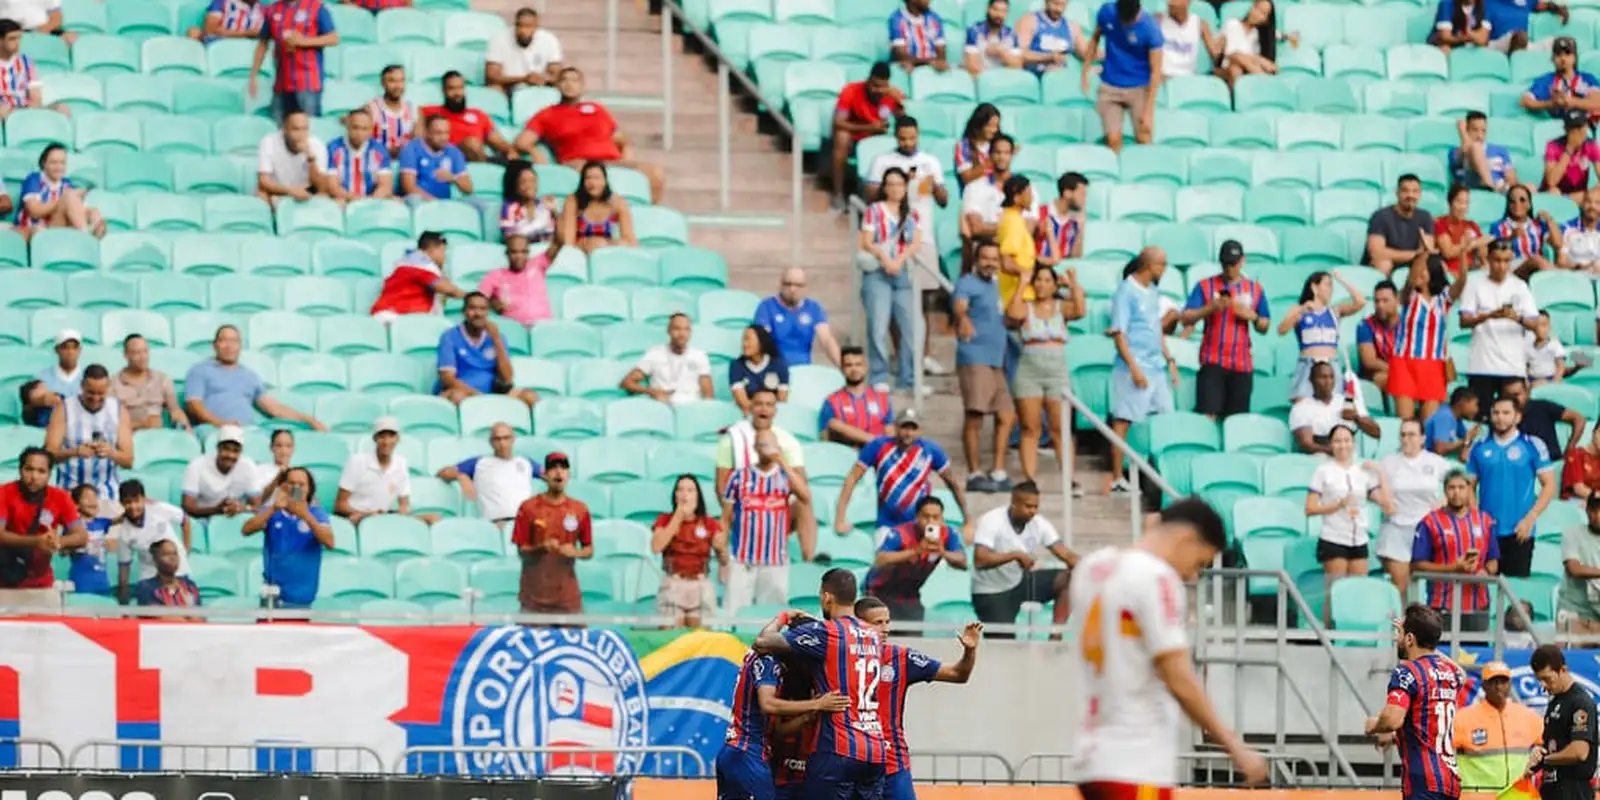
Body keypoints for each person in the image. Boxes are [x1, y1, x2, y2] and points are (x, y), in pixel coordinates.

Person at [1067, 497, 1269, 791]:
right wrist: (1234, 747)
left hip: (1092, 756)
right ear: (1187, 538)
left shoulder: (1092, 569)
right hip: (1137, 759)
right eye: (1199, 562)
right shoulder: (1156, 578)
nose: (1192, 575)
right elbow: (1178, 677)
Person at [751, 569, 891, 800]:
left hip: (838, 748)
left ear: (827, 597)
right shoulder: (873, 635)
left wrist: (784, 618)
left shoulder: (828, 632)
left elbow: (762, 642)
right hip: (874, 749)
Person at [855, 596, 980, 800]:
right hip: (855, 762)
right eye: (877, 623)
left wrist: (970, 651)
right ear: (858, 625)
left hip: (893, 763)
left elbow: (959, 674)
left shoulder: (901, 657)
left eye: (887, 622)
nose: (885, 629)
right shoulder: (840, 657)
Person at [716, 642, 850, 800]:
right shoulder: (769, 664)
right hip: (749, 754)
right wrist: (817, 704)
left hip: (742, 752)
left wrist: (810, 713)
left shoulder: (773, 669)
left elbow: (777, 729)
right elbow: (768, 704)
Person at [512, 67, 664, 202]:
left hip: (610, 161)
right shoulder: (547, 114)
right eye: (564, 80)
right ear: (557, 85)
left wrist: (626, 151)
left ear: (582, 87)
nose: (569, 84)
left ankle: (649, 215)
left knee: (654, 172)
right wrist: (536, 153)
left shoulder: (597, 109)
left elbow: (620, 138)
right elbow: (522, 142)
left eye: (575, 80)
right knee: (592, 175)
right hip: (578, 162)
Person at [1363, 604, 1467, 800]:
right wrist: (1429, 641)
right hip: (1450, 781)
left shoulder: (1407, 672)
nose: (1397, 638)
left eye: (1400, 633)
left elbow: (1393, 720)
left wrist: (1374, 726)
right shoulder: (1451, 673)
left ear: (1410, 639)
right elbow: (1462, 674)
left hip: (1423, 783)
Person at [1307, 425, 1394, 622]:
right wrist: (1338, 504)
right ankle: (1330, 634)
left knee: (1358, 592)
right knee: (1335, 592)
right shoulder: (1323, 471)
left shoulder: (1362, 471)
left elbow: (1386, 504)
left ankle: (1354, 635)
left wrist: (1380, 472)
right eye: (1337, 441)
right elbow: (1310, 508)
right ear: (1331, 444)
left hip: (1359, 538)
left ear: (1353, 443)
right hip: (1334, 536)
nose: (1342, 445)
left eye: (1347, 440)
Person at [1108, 248, 1178, 493]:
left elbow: (1156, 329)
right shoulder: (1126, 292)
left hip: (1156, 366)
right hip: (1132, 368)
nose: (1165, 270)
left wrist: (1169, 358)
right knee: (1124, 419)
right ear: (1150, 265)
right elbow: (1119, 333)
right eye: (1163, 265)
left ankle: (1160, 473)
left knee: (1165, 417)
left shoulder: (1153, 291)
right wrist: (1135, 369)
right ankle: (1117, 476)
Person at [835, 409, 969, 536]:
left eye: (913, 428)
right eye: (904, 427)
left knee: (936, 555)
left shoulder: (931, 451)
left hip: (922, 524)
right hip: (887, 524)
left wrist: (968, 520)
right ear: (895, 427)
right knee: (885, 558)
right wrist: (840, 519)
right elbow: (852, 478)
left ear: (919, 430)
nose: (908, 433)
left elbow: (952, 482)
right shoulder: (878, 446)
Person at [1006, 265, 1083, 485]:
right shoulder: (1027, 308)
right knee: (1030, 428)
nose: (1042, 285)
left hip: (1056, 372)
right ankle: (1029, 478)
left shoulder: (1061, 307)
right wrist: (1022, 282)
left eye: (1047, 280)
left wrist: (1073, 283)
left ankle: (1070, 478)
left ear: (1054, 284)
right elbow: (1012, 312)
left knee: (1060, 428)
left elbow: (1080, 310)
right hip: (1029, 371)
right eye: (1038, 280)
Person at [1178, 239, 1270, 420]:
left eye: (1233, 264)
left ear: (1242, 261)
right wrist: (1210, 308)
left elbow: (1265, 326)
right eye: (1226, 264)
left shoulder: (1255, 289)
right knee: (1207, 414)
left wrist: (1253, 317)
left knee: (1237, 420)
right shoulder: (1205, 286)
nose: (1229, 268)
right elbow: (1185, 318)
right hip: (1213, 360)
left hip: (1242, 363)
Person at [1467, 396, 1558, 578]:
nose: (1500, 418)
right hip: (1488, 531)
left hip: (1520, 530)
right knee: (1483, 588)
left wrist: (1530, 518)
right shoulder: (1479, 447)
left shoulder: (1532, 445)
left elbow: (1549, 485)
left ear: (1517, 417)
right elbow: (1469, 486)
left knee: (1516, 590)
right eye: (1496, 413)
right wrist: (1477, 518)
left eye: (1506, 413)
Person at [722, 429, 811, 614]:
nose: (767, 449)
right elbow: (725, 518)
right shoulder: (739, 477)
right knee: (733, 614)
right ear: (755, 447)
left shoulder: (786, 476)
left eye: (771, 444)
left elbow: (805, 496)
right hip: (742, 559)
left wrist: (782, 461)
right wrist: (724, 559)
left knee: (772, 616)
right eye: (763, 444)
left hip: (775, 560)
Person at [969, 480, 1077, 633]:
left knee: (1071, 578)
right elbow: (980, 559)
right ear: (1014, 503)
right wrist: (1015, 555)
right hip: (991, 591)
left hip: (1019, 582)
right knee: (1005, 647)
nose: (1032, 511)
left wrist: (1086, 566)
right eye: (1028, 506)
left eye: (1035, 507)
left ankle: (1056, 634)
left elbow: (1065, 554)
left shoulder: (1039, 523)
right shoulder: (992, 521)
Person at [954, 234, 1015, 493]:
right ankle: (973, 473)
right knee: (975, 415)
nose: (990, 263)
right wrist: (963, 318)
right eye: (985, 258)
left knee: (1007, 414)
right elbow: (960, 306)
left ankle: (998, 470)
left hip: (995, 360)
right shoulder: (967, 282)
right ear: (977, 260)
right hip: (974, 356)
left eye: (994, 259)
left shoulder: (996, 284)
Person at [185, 324, 325, 430]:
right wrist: (221, 424)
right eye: (224, 340)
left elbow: (274, 408)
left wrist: (308, 419)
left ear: (240, 346)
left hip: (248, 433)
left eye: (234, 341)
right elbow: (193, 405)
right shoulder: (200, 370)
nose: (229, 346)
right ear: (215, 345)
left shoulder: (249, 376)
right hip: (213, 430)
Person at [1412, 469, 1500, 631]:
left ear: (1469, 490)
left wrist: (1486, 572)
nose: (1456, 493)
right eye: (1452, 488)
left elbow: (1494, 560)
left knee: (1477, 653)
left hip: (1478, 605)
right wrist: (1453, 568)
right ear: (1445, 490)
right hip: (1441, 605)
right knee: (1442, 654)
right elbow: (1417, 565)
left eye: (1461, 487)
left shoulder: (1484, 521)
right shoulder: (1430, 522)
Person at [859, 167, 922, 392]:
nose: (896, 189)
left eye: (900, 184)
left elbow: (915, 242)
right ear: (885, 187)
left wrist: (900, 259)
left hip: (902, 271)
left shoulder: (912, 214)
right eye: (891, 184)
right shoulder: (874, 210)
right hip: (878, 272)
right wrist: (885, 257)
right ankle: (879, 376)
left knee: (911, 327)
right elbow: (866, 241)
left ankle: (909, 377)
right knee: (878, 325)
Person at [1460, 239, 1539, 417]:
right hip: (1482, 365)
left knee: (1512, 418)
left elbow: (1534, 322)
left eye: (1506, 261)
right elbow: (1464, 321)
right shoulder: (1474, 283)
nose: (1502, 266)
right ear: (1488, 259)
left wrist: (1516, 317)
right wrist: (1489, 316)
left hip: (1512, 365)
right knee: (1482, 417)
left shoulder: (1519, 286)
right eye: (1497, 260)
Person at [510, 452, 594, 616]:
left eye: (563, 468)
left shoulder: (580, 510)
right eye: (553, 468)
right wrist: (541, 547)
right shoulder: (528, 508)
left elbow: (589, 549)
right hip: (533, 599)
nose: (558, 472)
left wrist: (575, 552)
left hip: (568, 599)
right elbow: (521, 551)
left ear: (568, 474)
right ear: (545, 475)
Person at [1378, 420, 1454, 599]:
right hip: (1396, 529)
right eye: (1403, 435)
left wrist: (1444, 501)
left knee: (1432, 589)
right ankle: (1401, 627)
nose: (1406, 439)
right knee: (1401, 588)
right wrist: (1384, 501)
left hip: (1427, 530)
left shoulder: (1436, 462)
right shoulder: (1389, 463)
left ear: (1422, 438)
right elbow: (1371, 487)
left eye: (1411, 434)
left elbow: (1459, 484)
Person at [1392, 254, 1472, 422]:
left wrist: (1463, 251)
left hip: (1433, 365)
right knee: (1405, 422)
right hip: (1405, 363)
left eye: (1424, 271)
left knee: (1428, 423)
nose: (1419, 274)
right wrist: (1424, 253)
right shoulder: (1409, 296)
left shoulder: (1443, 300)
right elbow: (1411, 278)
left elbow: (1462, 280)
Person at [0, 448, 85, 607]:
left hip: (41, 585)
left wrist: (57, 541)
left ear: (49, 474)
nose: (34, 477)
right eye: (29, 469)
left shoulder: (60, 497)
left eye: (41, 471)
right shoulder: (3, 493)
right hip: (4, 584)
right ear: (20, 469)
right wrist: (36, 541)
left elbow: (81, 536)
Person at [863, 495, 967, 623]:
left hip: (910, 596)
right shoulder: (900, 533)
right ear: (917, 517)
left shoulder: (948, 535)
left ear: (942, 518)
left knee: (913, 639)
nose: (931, 522)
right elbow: (881, 559)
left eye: (936, 517)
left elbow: (962, 561)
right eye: (926, 516)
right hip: (880, 594)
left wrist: (943, 552)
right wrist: (916, 551)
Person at [242, 466, 334, 609]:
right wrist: (273, 508)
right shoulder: (272, 512)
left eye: (301, 485)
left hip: (302, 598)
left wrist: (305, 515)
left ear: (309, 489)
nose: (295, 488)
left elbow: (330, 542)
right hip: (272, 598)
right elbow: (246, 530)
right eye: (291, 483)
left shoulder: (317, 514)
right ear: (283, 486)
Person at [1080, 0, 1165, 153]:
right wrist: (1085, 71)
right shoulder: (1107, 12)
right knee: (1113, 140)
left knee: (1143, 137)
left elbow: (1156, 70)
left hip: (1139, 87)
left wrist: (1149, 111)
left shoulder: (1150, 29)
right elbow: (1095, 38)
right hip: (1110, 85)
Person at [43, 364, 132, 504]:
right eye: (91, 393)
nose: (96, 398)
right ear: (82, 386)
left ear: (108, 387)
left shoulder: (119, 411)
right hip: (70, 493)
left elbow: (129, 460)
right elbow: (48, 455)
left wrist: (111, 453)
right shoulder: (64, 409)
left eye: (101, 393)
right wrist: (75, 452)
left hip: (107, 495)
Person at [433, 292, 539, 408]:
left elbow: (507, 378)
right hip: (463, 392)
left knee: (530, 396)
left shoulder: (497, 336)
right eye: (472, 308)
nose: (478, 313)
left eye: (483, 309)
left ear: (487, 312)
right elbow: (448, 379)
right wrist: (476, 395)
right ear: (464, 311)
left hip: (493, 392)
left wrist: (496, 339)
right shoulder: (450, 336)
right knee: (458, 397)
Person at [1454, 661, 1546, 793]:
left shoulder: (1527, 716)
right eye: (1493, 682)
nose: (1498, 687)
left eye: (1503, 682)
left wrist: (1537, 757)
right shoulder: (1463, 719)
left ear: (1509, 684)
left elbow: (1549, 743)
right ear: (1484, 685)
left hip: (1516, 795)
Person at [1277, 270, 1367, 400]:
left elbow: (1360, 301)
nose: (1331, 290)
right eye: (1328, 285)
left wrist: (1341, 280)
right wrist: (1301, 311)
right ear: (1314, 287)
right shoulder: (1299, 309)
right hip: (1308, 364)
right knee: (1304, 404)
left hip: (1331, 365)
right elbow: (1281, 330)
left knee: (1334, 404)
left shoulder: (1335, 311)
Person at [653, 474, 728, 628]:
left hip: (700, 584)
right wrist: (679, 515)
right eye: (680, 490)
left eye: (690, 490)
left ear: (698, 496)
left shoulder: (710, 523)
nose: (684, 494)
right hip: (674, 583)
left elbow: (724, 560)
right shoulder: (664, 520)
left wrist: (721, 549)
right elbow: (656, 546)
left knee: (699, 639)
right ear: (674, 495)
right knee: (671, 638)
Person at [335, 417, 439, 526]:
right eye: (382, 436)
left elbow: (404, 504)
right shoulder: (357, 462)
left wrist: (403, 511)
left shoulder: (401, 463)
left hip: (384, 516)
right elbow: (340, 505)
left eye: (391, 436)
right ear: (375, 438)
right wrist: (366, 514)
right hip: (358, 516)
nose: (386, 441)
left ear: (397, 439)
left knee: (433, 518)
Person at [435, 423, 540, 530]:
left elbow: (551, 476)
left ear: (513, 439)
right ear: (491, 442)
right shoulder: (479, 463)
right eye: (497, 439)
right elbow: (443, 472)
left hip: (525, 523)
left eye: (506, 438)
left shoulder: (525, 463)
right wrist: (461, 476)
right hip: (495, 524)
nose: (502, 443)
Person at [1527, 644, 1599, 797]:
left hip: (1573, 789)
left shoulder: (1580, 703)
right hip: (1552, 786)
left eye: (1547, 679)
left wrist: (1546, 760)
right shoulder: (1556, 701)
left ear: (1563, 670)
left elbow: (1579, 751)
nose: (1543, 685)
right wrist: (1539, 752)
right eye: (1540, 680)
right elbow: (1555, 743)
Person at [829, 61, 904, 209]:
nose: (878, 90)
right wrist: (869, 127)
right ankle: (837, 193)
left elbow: (905, 124)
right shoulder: (851, 90)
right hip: (855, 136)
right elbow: (838, 122)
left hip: (878, 139)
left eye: (882, 86)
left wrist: (899, 103)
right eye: (875, 85)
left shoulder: (893, 95)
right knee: (841, 137)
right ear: (868, 80)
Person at [247, 0, 338, 121]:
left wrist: (304, 42)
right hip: (282, 82)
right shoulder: (272, 10)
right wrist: (254, 75)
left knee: (309, 126)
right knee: (279, 126)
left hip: (309, 81)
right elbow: (263, 42)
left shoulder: (316, 7)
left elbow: (333, 38)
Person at [110, 479, 192, 591]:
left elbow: (185, 520)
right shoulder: (125, 533)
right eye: (128, 502)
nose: (133, 507)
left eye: (136, 501)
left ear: (144, 499)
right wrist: (123, 597)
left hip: (178, 571)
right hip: (150, 577)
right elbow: (124, 566)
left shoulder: (159, 508)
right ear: (121, 503)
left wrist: (186, 548)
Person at [419, 71, 517, 163]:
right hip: (446, 159)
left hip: (477, 157)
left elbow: (498, 142)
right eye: (451, 88)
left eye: (460, 88)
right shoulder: (428, 112)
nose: (457, 93)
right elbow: (418, 140)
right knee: (472, 143)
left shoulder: (479, 115)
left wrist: (509, 150)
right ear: (443, 90)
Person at [755, 268, 842, 369]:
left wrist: (841, 365)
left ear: (806, 287)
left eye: (798, 285)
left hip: (803, 371)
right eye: (788, 284)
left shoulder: (813, 308)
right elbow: (760, 340)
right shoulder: (767, 306)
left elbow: (827, 340)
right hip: (775, 370)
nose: (792, 289)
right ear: (780, 285)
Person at [1291, 361, 1383, 454]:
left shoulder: (1347, 402)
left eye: (1331, 377)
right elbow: (1307, 445)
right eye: (1323, 377)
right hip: (1319, 458)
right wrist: (1338, 451)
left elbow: (1376, 433)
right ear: (1311, 380)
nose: (1328, 382)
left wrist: (1356, 418)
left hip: (1350, 457)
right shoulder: (1301, 408)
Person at [370, 233, 467, 321]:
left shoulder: (408, 262)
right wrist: (470, 297)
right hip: (394, 317)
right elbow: (448, 289)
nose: (444, 256)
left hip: (391, 315)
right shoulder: (421, 265)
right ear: (434, 249)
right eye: (443, 251)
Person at [16, 142, 103, 239]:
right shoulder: (34, 179)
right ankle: (85, 237)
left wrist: (92, 214)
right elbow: (34, 211)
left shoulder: (67, 183)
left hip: (56, 226)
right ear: (44, 163)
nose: (59, 167)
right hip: (32, 229)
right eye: (54, 162)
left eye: (62, 163)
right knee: (69, 196)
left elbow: (76, 209)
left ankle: (86, 235)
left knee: (93, 213)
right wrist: (62, 201)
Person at [622, 313, 714, 404]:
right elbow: (627, 383)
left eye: (686, 329)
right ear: (669, 331)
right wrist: (652, 391)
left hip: (691, 408)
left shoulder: (699, 356)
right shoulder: (655, 354)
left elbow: (708, 394)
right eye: (677, 329)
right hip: (664, 407)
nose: (682, 334)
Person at [180, 424, 261, 523]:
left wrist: (240, 508)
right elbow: (188, 507)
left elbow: (257, 506)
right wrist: (216, 510)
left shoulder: (248, 466)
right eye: (226, 449)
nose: (230, 455)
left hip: (235, 520)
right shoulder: (197, 465)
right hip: (202, 520)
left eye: (236, 451)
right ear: (218, 448)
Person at [819, 347, 893, 448]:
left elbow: (890, 431)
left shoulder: (882, 399)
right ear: (842, 369)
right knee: (834, 424)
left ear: (866, 367)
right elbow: (824, 437)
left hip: (877, 456)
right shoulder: (832, 401)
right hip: (846, 456)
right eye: (849, 365)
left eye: (858, 364)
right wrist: (874, 441)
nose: (854, 369)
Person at [113, 334, 189, 432]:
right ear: (126, 355)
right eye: (137, 352)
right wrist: (144, 424)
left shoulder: (162, 379)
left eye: (145, 351)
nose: (143, 357)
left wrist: (185, 428)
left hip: (159, 437)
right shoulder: (114, 384)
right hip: (130, 437)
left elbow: (175, 411)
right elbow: (111, 425)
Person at [1365, 174, 1438, 276]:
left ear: (1420, 194)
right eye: (1405, 191)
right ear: (1397, 193)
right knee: (1384, 264)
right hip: (1387, 264)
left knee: (1436, 265)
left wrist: (1420, 254)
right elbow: (1377, 253)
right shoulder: (1380, 216)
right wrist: (1414, 254)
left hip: (1412, 264)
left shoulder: (1425, 217)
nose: (1410, 195)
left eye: (1415, 191)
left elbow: (1427, 251)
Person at [1503, 377, 1587, 466]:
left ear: (1527, 392)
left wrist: (1570, 447)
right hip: (1519, 466)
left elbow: (1579, 419)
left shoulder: (1542, 407)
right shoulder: (1501, 416)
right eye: (1509, 396)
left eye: (1517, 395)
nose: (1513, 400)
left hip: (1552, 463)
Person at [559, 161, 638, 253]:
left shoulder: (617, 202)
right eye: (588, 178)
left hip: (605, 250)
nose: (592, 183)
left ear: (605, 181)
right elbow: (568, 243)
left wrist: (609, 244)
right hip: (579, 251)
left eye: (597, 178)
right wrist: (587, 245)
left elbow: (631, 241)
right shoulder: (573, 201)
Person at [256, 109, 329, 204]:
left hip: (305, 191)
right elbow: (263, 182)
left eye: (305, 129)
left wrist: (310, 159)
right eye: (296, 129)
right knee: (261, 195)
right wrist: (291, 191)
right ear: (284, 129)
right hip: (278, 191)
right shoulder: (269, 142)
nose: (301, 135)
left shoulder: (317, 145)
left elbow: (321, 186)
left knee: (324, 196)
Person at [398, 115, 474, 205]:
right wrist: (436, 204)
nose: (444, 137)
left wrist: (453, 178)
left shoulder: (453, 152)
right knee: (414, 200)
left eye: (446, 133)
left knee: (479, 204)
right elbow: (409, 187)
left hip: (444, 203)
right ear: (426, 132)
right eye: (438, 133)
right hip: (419, 203)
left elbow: (468, 189)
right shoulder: (411, 149)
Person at [484, 8, 564, 94]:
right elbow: (492, 76)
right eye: (520, 26)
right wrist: (523, 79)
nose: (523, 31)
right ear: (515, 25)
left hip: (540, 86)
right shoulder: (499, 39)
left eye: (528, 26)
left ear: (536, 27)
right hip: (508, 86)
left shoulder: (549, 40)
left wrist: (542, 79)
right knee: (494, 88)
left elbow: (556, 73)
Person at [480, 235, 553, 327]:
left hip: (543, 326)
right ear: (507, 253)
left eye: (524, 252)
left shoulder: (537, 265)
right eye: (514, 252)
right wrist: (493, 302)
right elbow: (479, 299)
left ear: (528, 253)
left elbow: (559, 242)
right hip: (515, 329)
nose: (519, 256)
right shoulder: (495, 275)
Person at [1217, 0, 1294, 87]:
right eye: (1256, 8)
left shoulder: (1260, 33)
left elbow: (1277, 34)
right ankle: (1267, 81)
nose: (1257, 14)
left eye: (1262, 13)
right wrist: (1261, 61)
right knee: (1236, 65)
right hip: (1227, 68)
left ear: (1266, 20)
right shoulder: (1233, 24)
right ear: (1252, 7)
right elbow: (1231, 54)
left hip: (1248, 72)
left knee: (1239, 67)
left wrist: (1290, 36)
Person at [324, 108, 393, 202]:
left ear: (371, 130)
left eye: (365, 129)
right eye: (355, 127)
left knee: (395, 202)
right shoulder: (333, 148)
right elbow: (333, 186)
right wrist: (355, 199)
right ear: (347, 127)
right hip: (344, 199)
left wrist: (370, 201)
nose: (359, 133)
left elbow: (385, 186)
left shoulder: (379, 150)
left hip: (372, 199)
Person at [1490, 185, 1559, 275]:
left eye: (1522, 200)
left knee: (1540, 261)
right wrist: (1511, 238)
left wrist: (1549, 220)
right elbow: (1494, 251)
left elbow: (1558, 244)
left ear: (1529, 204)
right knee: (1537, 260)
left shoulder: (1537, 225)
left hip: (1538, 266)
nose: (1517, 204)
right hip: (1512, 267)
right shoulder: (1499, 226)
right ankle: (1559, 277)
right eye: (1512, 201)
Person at [1559, 494, 1600, 635]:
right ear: (1587, 510)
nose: (1598, 516)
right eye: (1594, 510)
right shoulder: (1572, 533)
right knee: (1571, 655)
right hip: (1574, 611)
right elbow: (1574, 569)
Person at [64, 484, 111, 597]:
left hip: (102, 582)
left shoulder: (102, 523)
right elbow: (62, 550)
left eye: (95, 498)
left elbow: (124, 517)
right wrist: (78, 546)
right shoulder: (72, 526)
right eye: (87, 498)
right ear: (76, 504)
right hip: (81, 582)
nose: (92, 501)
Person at [730, 325, 790, 414]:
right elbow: (743, 402)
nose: (744, 344)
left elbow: (781, 400)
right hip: (748, 415)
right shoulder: (737, 366)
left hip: (773, 416)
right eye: (743, 340)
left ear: (762, 342)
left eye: (748, 339)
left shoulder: (779, 365)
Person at [1452, 112, 1518, 194]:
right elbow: (1466, 150)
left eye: (1483, 131)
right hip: (1476, 186)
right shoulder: (1457, 151)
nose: (1480, 135)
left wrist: (1511, 179)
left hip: (1502, 186)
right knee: (1475, 147)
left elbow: (1513, 179)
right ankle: (1490, 187)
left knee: (1530, 187)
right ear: (1467, 130)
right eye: (1475, 130)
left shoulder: (1501, 150)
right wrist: (1462, 132)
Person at [497, 161, 558, 247]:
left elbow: (554, 236)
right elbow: (510, 239)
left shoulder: (546, 205)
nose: (529, 186)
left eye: (533, 181)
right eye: (523, 182)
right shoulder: (508, 208)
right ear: (515, 186)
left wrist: (555, 213)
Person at [130, 539, 202, 610]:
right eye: (166, 554)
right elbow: (160, 617)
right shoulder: (146, 587)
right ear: (155, 559)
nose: (172, 558)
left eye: (175, 553)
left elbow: (199, 616)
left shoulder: (188, 584)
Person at [1357, 280, 1400, 397]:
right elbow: (1369, 362)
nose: (1380, 305)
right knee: (1385, 378)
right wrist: (1398, 371)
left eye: (1385, 301)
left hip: (1404, 372)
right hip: (1376, 376)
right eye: (1377, 301)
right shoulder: (1365, 326)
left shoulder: (1408, 326)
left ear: (1397, 300)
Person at [1438, 183, 1491, 275]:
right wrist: (1471, 244)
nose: (1463, 207)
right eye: (1459, 202)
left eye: (1466, 203)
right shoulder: (1440, 223)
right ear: (1450, 202)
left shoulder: (1472, 225)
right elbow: (1448, 252)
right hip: (1452, 272)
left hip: (1473, 269)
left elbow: (1483, 250)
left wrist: (1483, 246)